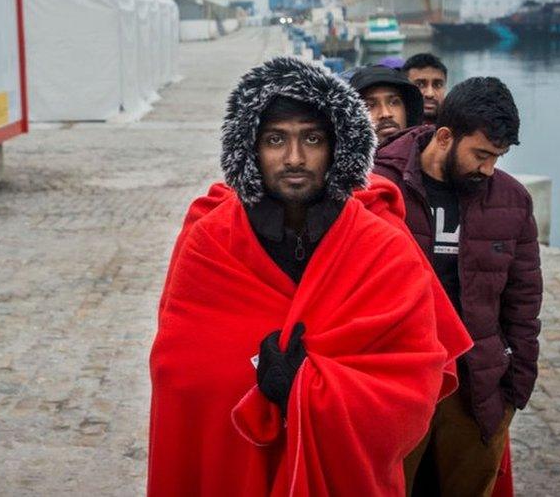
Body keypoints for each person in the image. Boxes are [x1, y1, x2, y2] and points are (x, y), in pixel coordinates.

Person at [148, 56, 472, 496]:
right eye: (276, 140)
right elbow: (181, 375)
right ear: (250, 149)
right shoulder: (210, 244)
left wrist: (307, 390)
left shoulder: (383, 248)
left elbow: (410, 392)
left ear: (338, 146)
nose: (294, 158)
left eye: (312, 139)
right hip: (235, 470)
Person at [374, 77, 543, 497]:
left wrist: (514, 389)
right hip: (398, 385)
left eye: (497, 158)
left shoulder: (512, 201)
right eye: (481, 155)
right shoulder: (379, 185)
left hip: (476, 391)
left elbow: (523, 302)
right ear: (445, 137)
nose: (488, 169)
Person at [349, 65, 423, 146]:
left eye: (394, 103)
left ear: (407, 110)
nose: (385, 114)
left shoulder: (428, 156)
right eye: (369, 106)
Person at [402, 53, 448, 125]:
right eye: (420, 85)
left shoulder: (458, 129)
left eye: (437, 85)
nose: (430, 94)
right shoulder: (394, 130)